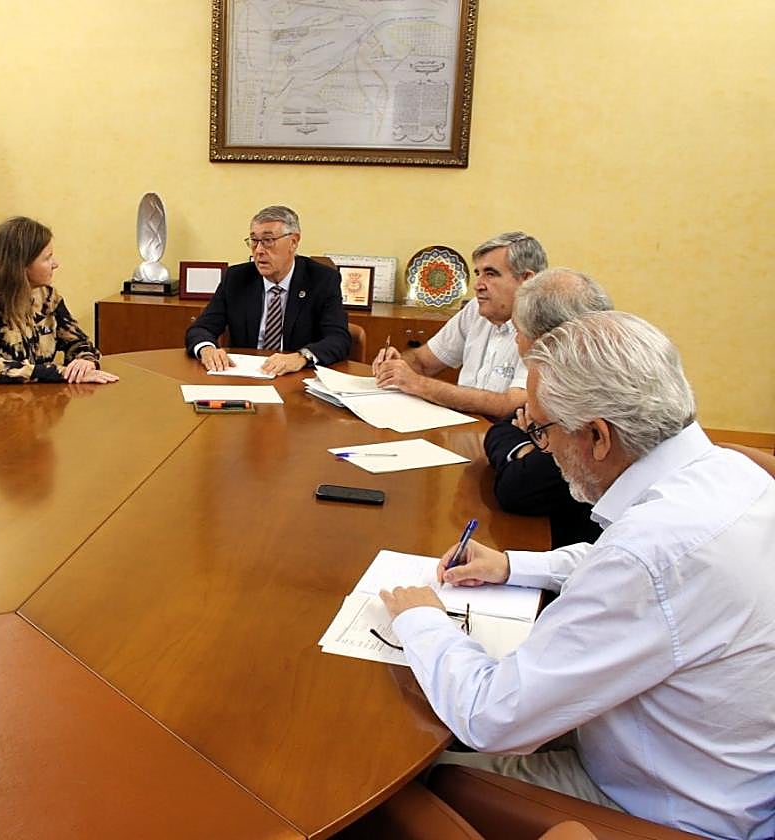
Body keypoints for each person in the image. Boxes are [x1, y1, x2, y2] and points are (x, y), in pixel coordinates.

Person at [379, 311, 775, 839]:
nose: (541, 448)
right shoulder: (727, 473)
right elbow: (627, 561)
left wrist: (423, 620)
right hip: (713, 764)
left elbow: (491, 718)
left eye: (540, 429)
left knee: (411, 775)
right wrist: (513, 564)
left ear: (597, 436)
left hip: (660, 806)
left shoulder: (651, 553)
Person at [483, 268, 612, 548]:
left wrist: (531, 440)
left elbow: (517, 489)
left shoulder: (584, 392)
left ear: (546, 339)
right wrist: (530, 443)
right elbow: (504, 425)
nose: (516, 341)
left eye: (518, 331)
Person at [372, 231, 546, 416]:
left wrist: (417, 383)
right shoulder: (476, 309)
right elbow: (422, 361)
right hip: (462, 427)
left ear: (527, 280)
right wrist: (396, 365)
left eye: (491, 274)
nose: (478, 285)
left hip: (504, 436)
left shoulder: (545, 324)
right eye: (478, 274)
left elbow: (511, 405)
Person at [0, 216, 118, 386]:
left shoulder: (48, 297)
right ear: (20, 265)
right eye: (47, 258)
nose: (55, 264)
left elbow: (79, 342)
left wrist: (86, 361)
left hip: (29, 400)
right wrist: (59, 372)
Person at [185, 205, 351, 375]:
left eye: (268, 241)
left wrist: (301, 357)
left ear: (293, 242)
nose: (259, 251)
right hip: (245, 377)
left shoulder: (322, 280)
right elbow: (201, 328)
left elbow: (338, 339)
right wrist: (207, 349)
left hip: (296, 380)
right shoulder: (237, 278)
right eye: (254, 241)